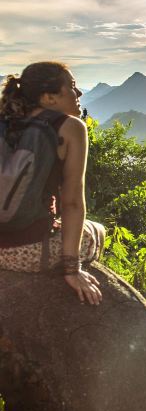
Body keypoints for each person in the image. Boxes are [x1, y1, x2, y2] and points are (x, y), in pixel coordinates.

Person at [0, 62, 104, 305]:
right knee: (96, 231)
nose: (78, 94)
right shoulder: (70, 127)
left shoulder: (6, 120)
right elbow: (72, 203)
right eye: (72, 87)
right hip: (24, 252)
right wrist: (72, 269)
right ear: (49, 98)